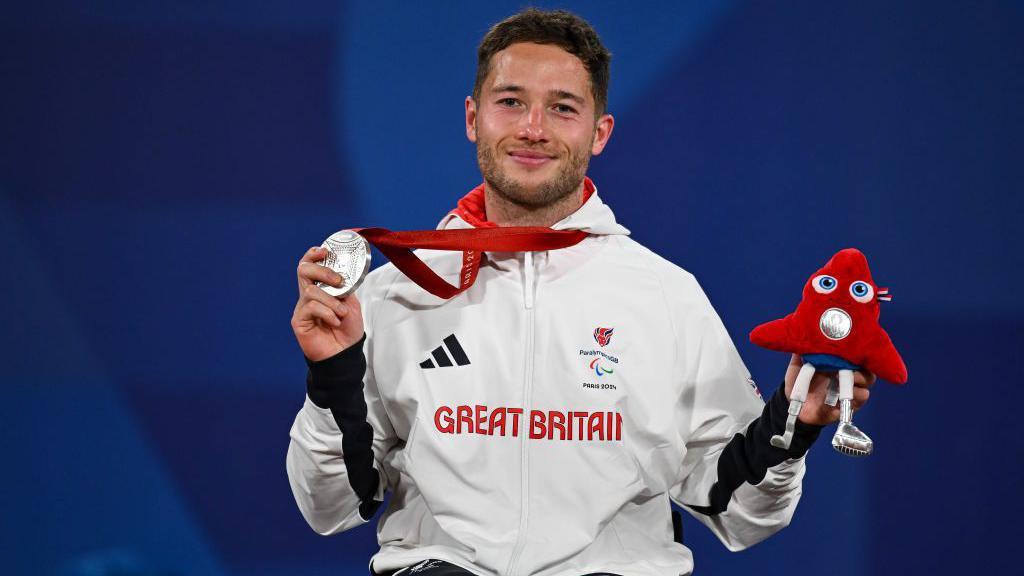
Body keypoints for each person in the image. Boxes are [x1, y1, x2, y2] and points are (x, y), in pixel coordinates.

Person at [287, 8, 874, 576]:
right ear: (473, 118)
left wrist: (794, 425)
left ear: (600, 133)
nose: (533, 128)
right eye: (510, 101)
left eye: (562, 108)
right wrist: (333, 377)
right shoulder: (397, 293)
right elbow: (333, 509)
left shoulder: (665, 297)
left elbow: (739, 514)